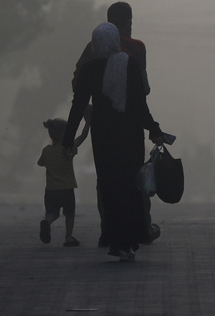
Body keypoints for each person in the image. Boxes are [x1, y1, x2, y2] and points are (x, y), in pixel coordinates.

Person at [65, 22, 165, 262]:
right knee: (130, 187)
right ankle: (129, 240)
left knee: (109, 187)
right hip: (129, 135)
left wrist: (68, 137)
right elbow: (140, 104)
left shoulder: (89, 70)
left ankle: (116, 239)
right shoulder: (128, 64)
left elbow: (78, 106)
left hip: (103, 137)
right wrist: (154, 129)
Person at [37, 109, 92, 246]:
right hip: (67, 189)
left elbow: (40, 163)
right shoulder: (68, 148)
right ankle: (68, 237)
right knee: (69, 214)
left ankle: (47, 222)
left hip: (51, 190)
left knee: (52, 213)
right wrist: (88, 123)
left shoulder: (46, 150)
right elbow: (83, 136)